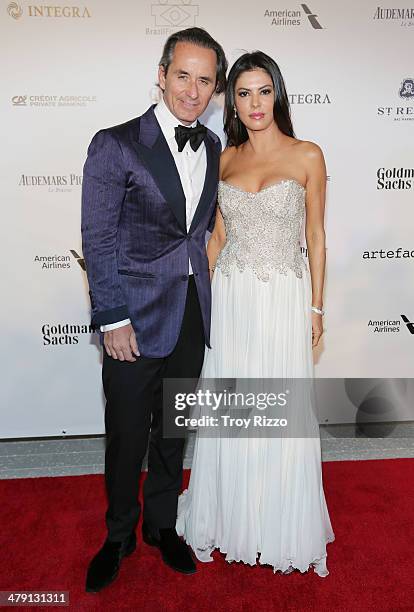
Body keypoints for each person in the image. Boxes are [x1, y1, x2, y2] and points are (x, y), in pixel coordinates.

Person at [176, 51, 335, 576]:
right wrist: (192, 300)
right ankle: (230, 517)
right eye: (243, 93)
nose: (254, 103)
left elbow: (314, 235)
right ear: (232, 102)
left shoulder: (308, 155)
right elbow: (216, 239)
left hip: (284, 299)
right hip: (234, 299)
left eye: (263, 91)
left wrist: (316, 305)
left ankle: (279, 525)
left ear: (278, 94)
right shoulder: (223, 160)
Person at [81, 27, 227, 592]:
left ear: (215, 90)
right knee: (126, 436)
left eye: (205, 81)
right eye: (183, 75)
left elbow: (199, 234)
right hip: (133, 320)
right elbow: (99, 237)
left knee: (174, 430)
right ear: (161, 75)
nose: (193, 90)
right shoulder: (115, 143)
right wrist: (113, 318)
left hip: (191, 311)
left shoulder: (212, 147)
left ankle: (161, 526)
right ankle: (118, 535)